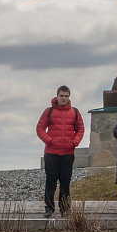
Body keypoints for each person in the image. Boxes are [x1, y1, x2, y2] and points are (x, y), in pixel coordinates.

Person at [36, 85, 85, 218]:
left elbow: (80, 129)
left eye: (66, 96)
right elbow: (40, 128)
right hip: (51, 153)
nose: (64, 98)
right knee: (50, 181)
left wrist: (74, 142)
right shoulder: (49, 111)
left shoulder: (75, 112)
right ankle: (49, 208)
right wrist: (50, 141)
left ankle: (65, 209)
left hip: (68, 153)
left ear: (69, 97)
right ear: (57, 96)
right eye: (61, 96)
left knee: (65, 182)